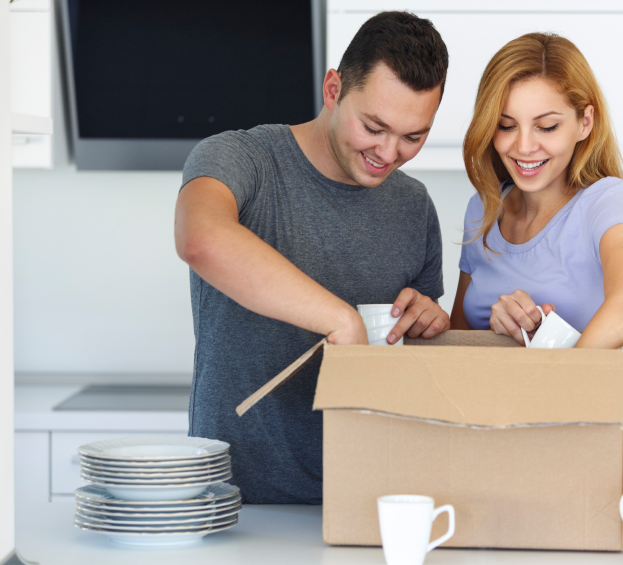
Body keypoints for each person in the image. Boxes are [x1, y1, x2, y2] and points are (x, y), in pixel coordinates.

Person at [174, 11, 451, 504]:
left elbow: (412, 374)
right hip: (234, 501)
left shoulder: (415, 208)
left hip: (368, 501)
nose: (389, 153)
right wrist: (341, 320)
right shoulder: (241, 160)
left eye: (414, 136)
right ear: (333, 89)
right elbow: (202, 238)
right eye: (374, 126)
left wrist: (430, 324)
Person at [450, 32, 623, 505]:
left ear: (585, 121)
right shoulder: (481, 211)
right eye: (506, 125)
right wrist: (501, 331)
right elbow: (460, 346)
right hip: (500, 467)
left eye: (546, 126)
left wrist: (553, 383)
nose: (524, 146)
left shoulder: (603, 201)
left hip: (595, 465)